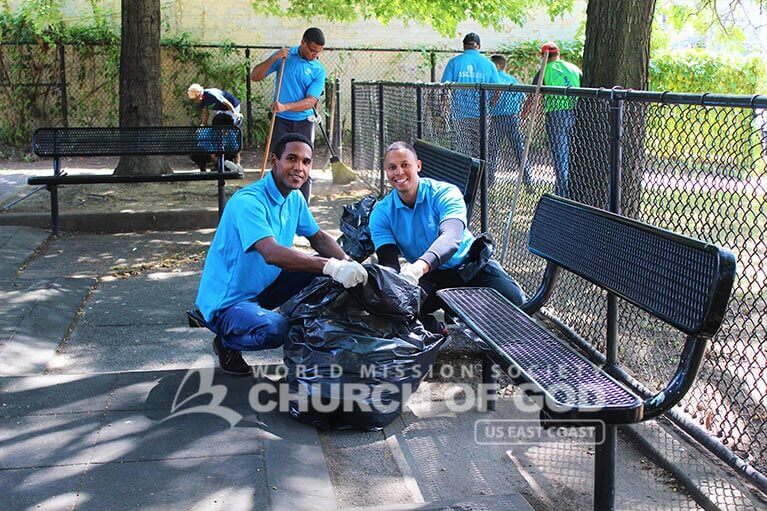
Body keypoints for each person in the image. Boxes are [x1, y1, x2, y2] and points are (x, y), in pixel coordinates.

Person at [195, 133, 368, 375]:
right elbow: (271, 253)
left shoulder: (294, 198)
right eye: (292, 159)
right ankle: (225, 341)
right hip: (227, 303)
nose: (299, 168)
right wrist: (332, 266)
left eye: (306, 162)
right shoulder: (248, 202)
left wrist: (348, 262)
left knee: (324, 275)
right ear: (275, 161)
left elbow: (317, 237)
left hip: (262, 289)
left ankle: (308, 330)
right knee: (275, 329)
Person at [369, 141, 525, 333]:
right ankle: (435, 327)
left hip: (469, 267)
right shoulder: (381, 213)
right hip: (429, 278)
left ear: (418, 166)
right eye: (392, 167)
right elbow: (389, 263)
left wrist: (418, 267)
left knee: (516, 302)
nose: (399, 172)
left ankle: (463, 314)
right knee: (389, 308)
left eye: (405, 165)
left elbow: (451, 238)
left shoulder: (444, 193)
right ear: (386, 172)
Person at [250, 27, 327, 202]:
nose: (315, 55)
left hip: (304, 122)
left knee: (303, 165)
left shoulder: (318, 70)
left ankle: (302, 210)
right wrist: (274, 58)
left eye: (319, 52)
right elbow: (255, 76)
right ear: (303, 43)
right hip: (281, 121)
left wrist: (285, 106)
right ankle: (274, 204)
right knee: (279, 163)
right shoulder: (285, 56)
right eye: (313, 50)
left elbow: (311, 101)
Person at [527, 42, 581, 197]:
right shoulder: (574, 69)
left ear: (543, 56)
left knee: (561, 156)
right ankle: (574, 192)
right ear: (558, 54)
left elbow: (532, 96)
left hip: (556, 115)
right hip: (577, 115)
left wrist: (525, 115)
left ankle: (562, 194)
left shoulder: (544, 70)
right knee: (574, 155)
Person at [440, 33, 500, 156]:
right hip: (481, 114)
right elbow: (497, 91)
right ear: (479, 46)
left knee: (461, 149)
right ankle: (479, 174)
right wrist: (489, 107)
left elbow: (444, 88)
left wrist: (444, 108)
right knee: (479, 150)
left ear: (464, 46)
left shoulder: (454, 62)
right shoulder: (489, 65)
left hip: (459, 113)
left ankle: (462, 174)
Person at [488, 54, 529, 187]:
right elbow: (522, 97)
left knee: (492, 150)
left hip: (497, 117)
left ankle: (490, 180)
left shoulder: (493, 79)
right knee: (519, 149)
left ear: (497, 65)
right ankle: (527, 179)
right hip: (512, 118)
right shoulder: (512, 80)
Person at [187, 83, 243, 165]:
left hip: (232, 107)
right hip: (222, 109)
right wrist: (202, 125)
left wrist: (235, 114)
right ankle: (220, 162)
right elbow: (206, 113)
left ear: (199, 95)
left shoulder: (211, 95)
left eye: (195, 98)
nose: (195, 101)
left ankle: (235, 162)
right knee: (216, 126)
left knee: (228, 131)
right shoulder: (202, 101)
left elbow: (226, 102)